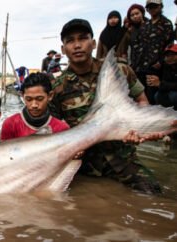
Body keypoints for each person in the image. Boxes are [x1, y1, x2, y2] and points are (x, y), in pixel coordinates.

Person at [51, 18, 164, 194]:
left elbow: (142, 101)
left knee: (154, 195)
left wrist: (138, 129)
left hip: (123, 157)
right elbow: (54, 128)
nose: (77, 45)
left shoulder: (117, 71)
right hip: (82, 165)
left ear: (93, 43)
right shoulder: (57, 87)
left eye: (82, 38)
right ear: (63, 49)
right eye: (70, 41)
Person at [1, 73, 69, 140]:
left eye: (40, 99)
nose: (34, 105)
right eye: (28, 99)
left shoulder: (62, 129)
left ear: (50, 96)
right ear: (22, 96)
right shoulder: (10, 124)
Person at [131, 0, 174, 104]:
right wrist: (134, 65)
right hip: (140, 67)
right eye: (149, 7)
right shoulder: (145, 25)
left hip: (155, 67)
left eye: (155, 6)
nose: (152, 9)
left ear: (160, 7)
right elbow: (137, 46)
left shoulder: (166, 23)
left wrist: (160, 61)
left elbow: (169, 45)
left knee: (152, 97)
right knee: (141, 97)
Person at [147, 44, 177, 109]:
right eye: (167, 55)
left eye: (172, 54)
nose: (168, 57)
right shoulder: (165, 65)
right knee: (157, 96)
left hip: (173, 92)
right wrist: (154, 68)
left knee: (174, 96)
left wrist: (160, 84)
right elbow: (151, 71)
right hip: (167, 90)